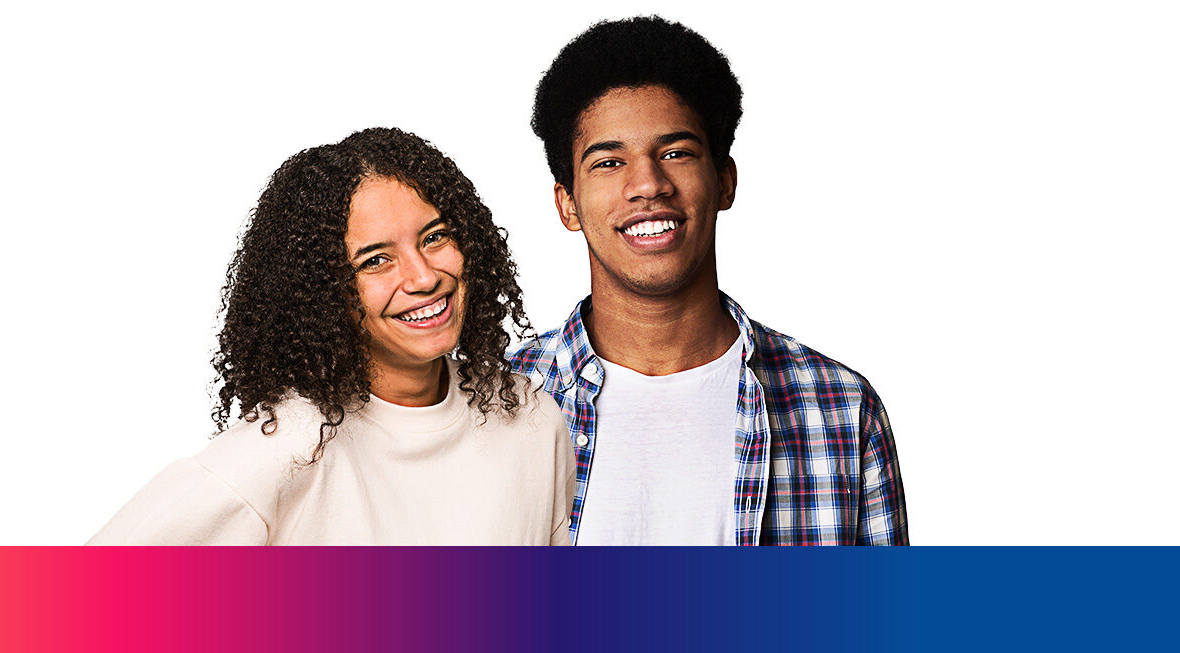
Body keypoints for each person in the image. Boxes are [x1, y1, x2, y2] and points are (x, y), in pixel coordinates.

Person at [511, 16, 908, 545]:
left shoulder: (839, 410)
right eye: (608, 161)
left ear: (724, 180)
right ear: (567, 204)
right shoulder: (498, 407)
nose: (648, 183)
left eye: (676, 153)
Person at [91, 127, 574, 545]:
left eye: (434, 237)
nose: (423, 276)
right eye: (375, 261)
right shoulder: (288, 446)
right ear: (324, 290)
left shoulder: (530, 419)